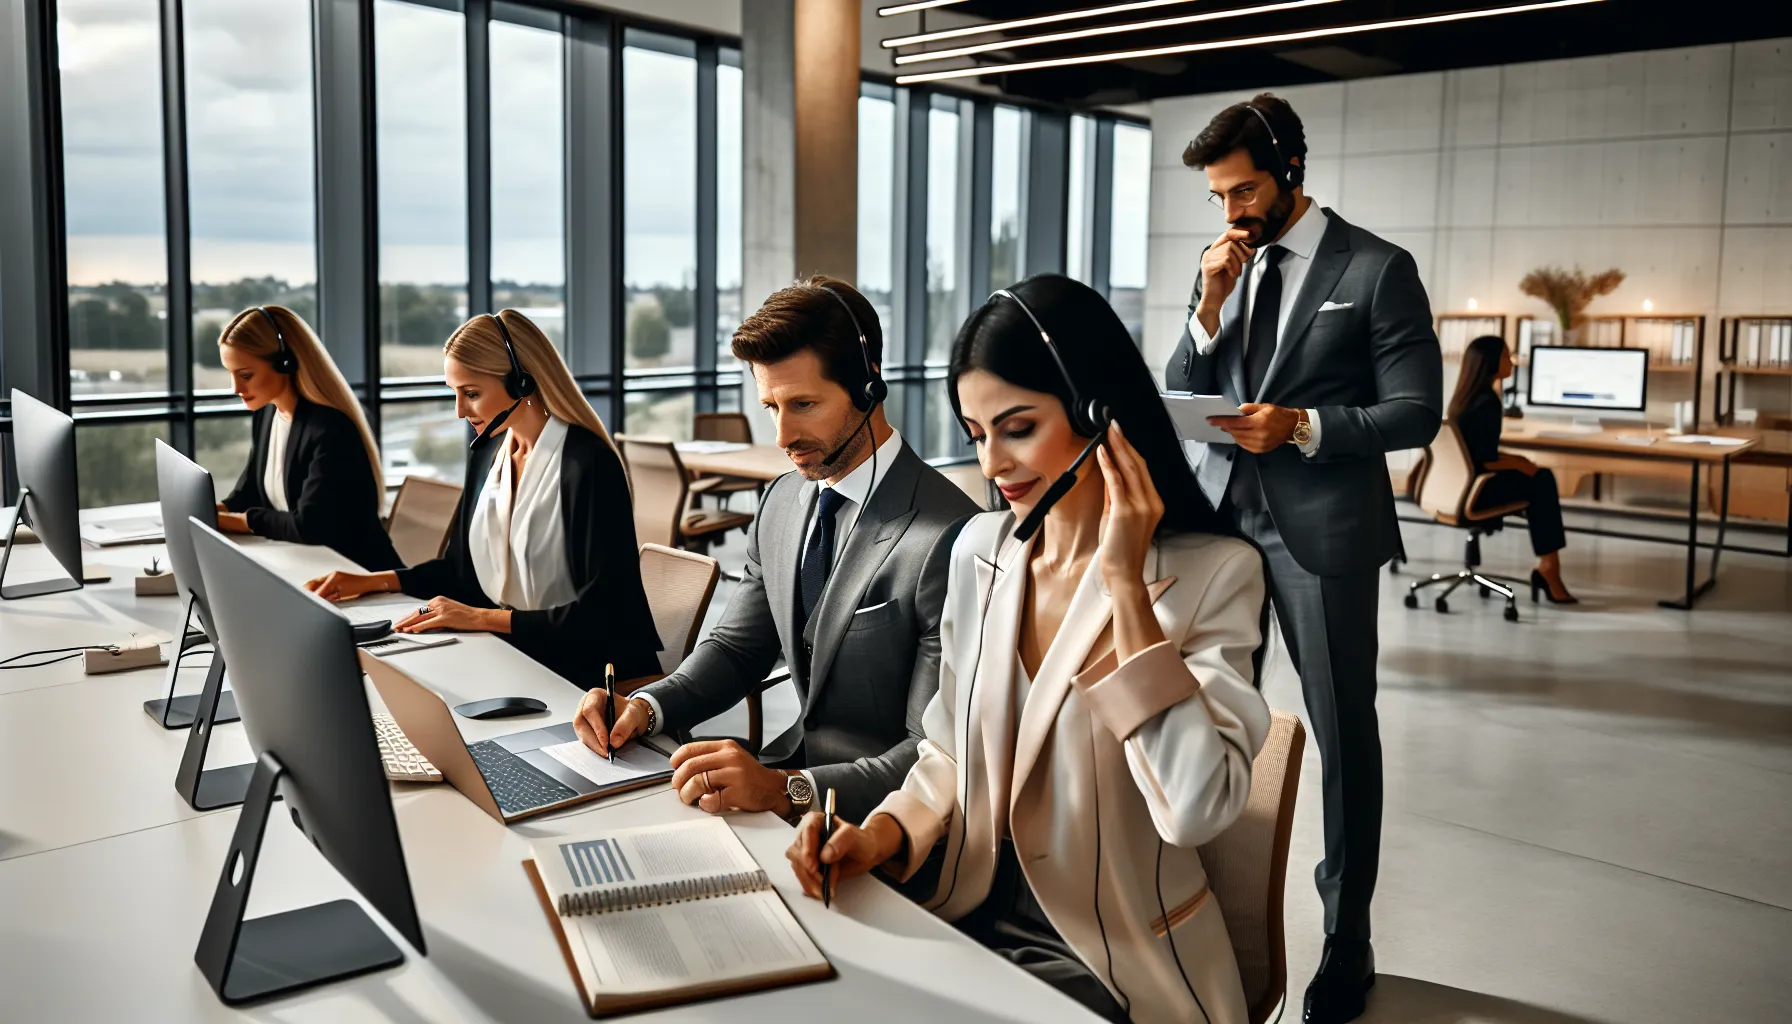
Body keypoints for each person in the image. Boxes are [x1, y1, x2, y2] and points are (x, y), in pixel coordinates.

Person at [787, 276, 1271, 1024]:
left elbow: (1195, 809)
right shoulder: (983, 549)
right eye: (977, 435)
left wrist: (1127, 591)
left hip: (1110, 961)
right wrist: (882, 832)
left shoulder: (1215, 574)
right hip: (963, 917)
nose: (991, 466)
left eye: (1017, 428)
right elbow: (949, 752)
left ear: (1098, 416)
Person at [1163, 93, 1443, 1024]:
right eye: (1218, 196)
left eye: (1244, 190)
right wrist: (1205, 305)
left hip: (1320, 535)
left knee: (1338, 736)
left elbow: (1414, 413)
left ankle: (1344, 942)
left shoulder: (1376, 269)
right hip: (1219, 527)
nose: (1233, 211)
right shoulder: (1225, 267)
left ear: (1290, 171)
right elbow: (1184, 384)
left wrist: (1305, 424)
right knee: (1207, 725)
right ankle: (1199, 920)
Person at [577, 276, 978, 826]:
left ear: (869, 386)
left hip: (879, 826)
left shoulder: (952, 534)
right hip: (783, 788)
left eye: (804, 404)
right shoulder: (783, 500)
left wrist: (783, 790)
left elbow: (929, 753)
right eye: (770, 406)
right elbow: (738, 650)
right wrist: (645, 709)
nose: (783, 435)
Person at [305, 309, 661, 686]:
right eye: (455, 394)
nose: (460, 411)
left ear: (522, 382)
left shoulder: (587, 464)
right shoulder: (490, 453)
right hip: (515, 651)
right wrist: (371, 581)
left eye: (471, 394)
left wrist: (479, 618)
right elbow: (459, 570)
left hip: (587, 672)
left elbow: (602, 614)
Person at [215, 305, 402, 572]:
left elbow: (309, 526)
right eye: (230, 374)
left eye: (245, 375)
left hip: (356, 574)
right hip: (304, 565)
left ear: (285, 363)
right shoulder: (267, 414)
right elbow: (249, 494)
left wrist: (233, 521)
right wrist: (207, 511)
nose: (236, 388)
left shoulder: (329, 429)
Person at [1450, 335, 1575, 603]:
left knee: (1536, 475)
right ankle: (1549, 570)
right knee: (1542, 480)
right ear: (1491, 362)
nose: (1512, 361)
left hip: (1459, 487)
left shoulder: (1465, 397)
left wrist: (1517, 461)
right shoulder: (1488, 402)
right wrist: (1520, 464)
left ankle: (1549, 567)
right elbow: (1484, 460)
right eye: (1507, 356)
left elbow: (1476, 452)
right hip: (1478, 490)